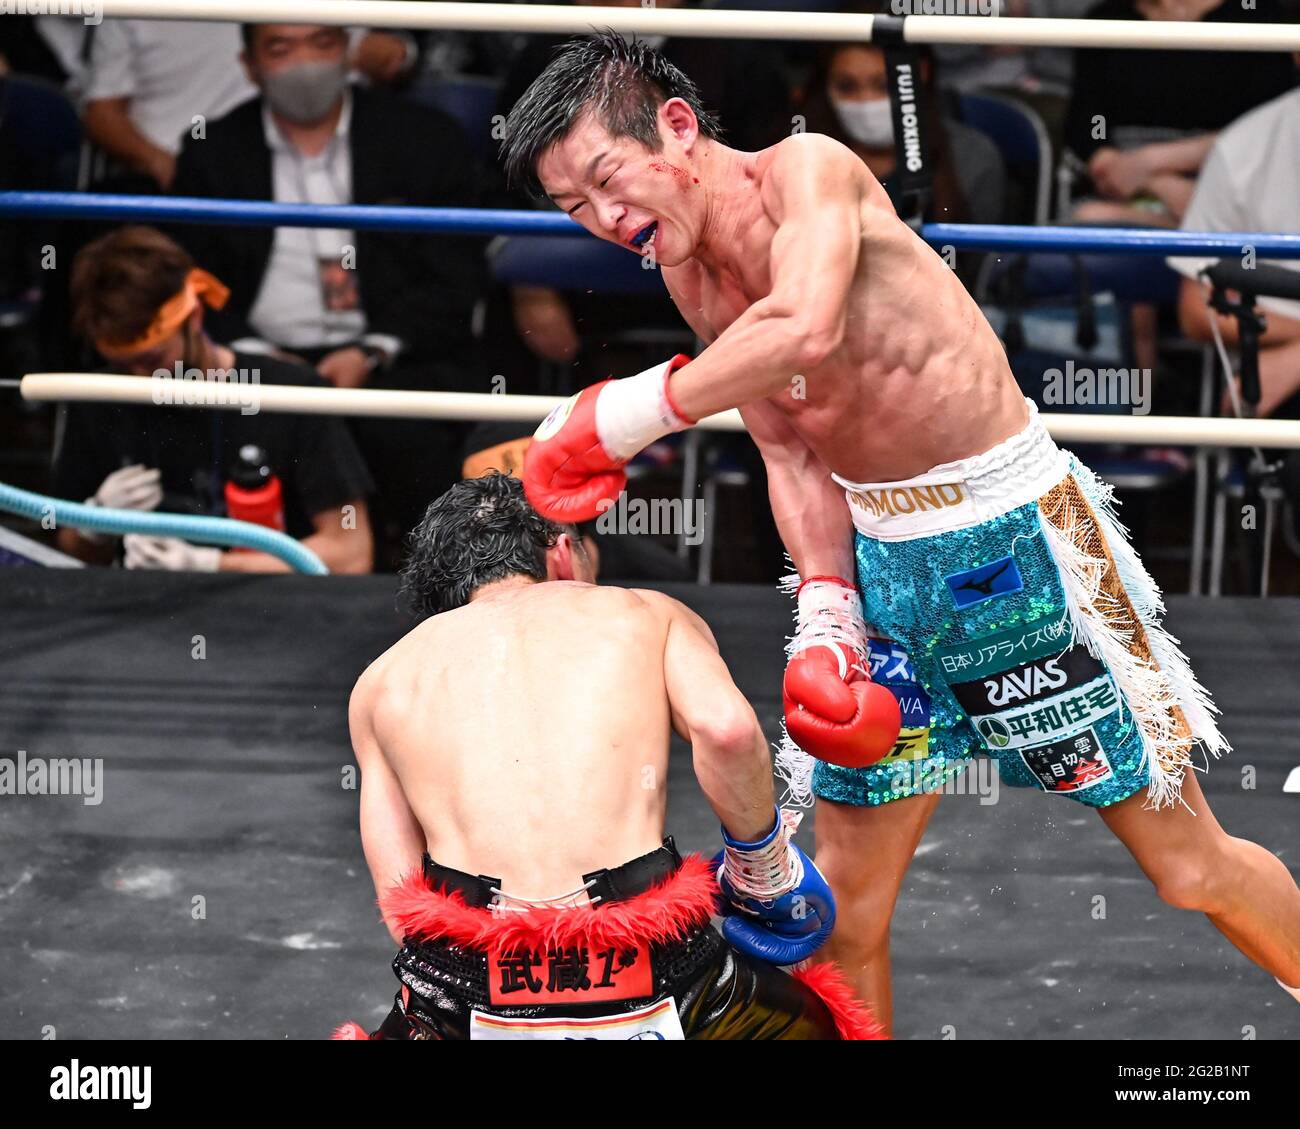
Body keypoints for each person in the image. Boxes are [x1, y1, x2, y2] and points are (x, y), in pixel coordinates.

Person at [504, 33, 1300, 1032]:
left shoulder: (808, 175)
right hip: (885, 572)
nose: (605, 220)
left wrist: (621, 415)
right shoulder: (690, 275)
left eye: (607, 181)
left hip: (1017, 551)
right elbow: (791, 449)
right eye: (575, 209)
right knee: (848, 908)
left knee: (1188, 867)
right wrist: (830, 614)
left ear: (672, 127)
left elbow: (803, 326)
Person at [336, 473, 877, 1040]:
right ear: (564, 553)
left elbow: (403, 912)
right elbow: (728, 732)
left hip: (466, 986)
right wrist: (762, 874)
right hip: (655, 960)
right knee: (825, 1026)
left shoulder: (382, 680)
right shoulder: (647, 613)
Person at [171, 21, 497, 565]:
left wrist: (373, 350)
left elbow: (457, 277)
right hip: (259, 361)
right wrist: (255, 355)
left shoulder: (421, 136)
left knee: (414, 433)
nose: (305, 62)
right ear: (249, 65)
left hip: (393, 355)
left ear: (346, 51)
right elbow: (193, 279)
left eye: (322, 43)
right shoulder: (214, 149)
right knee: (239, 422)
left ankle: (439, 585)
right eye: (281, 47)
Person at [54, 225, 374, 575]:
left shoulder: (288, 393)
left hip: (271, 608)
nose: (141, 380)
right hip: (139, 609)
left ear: (194, 317)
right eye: (124, 365)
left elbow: (351, 553)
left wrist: (210, 564)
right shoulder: (98, 398)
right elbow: (71, 552)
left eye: (152, 360)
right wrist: (93, 524)